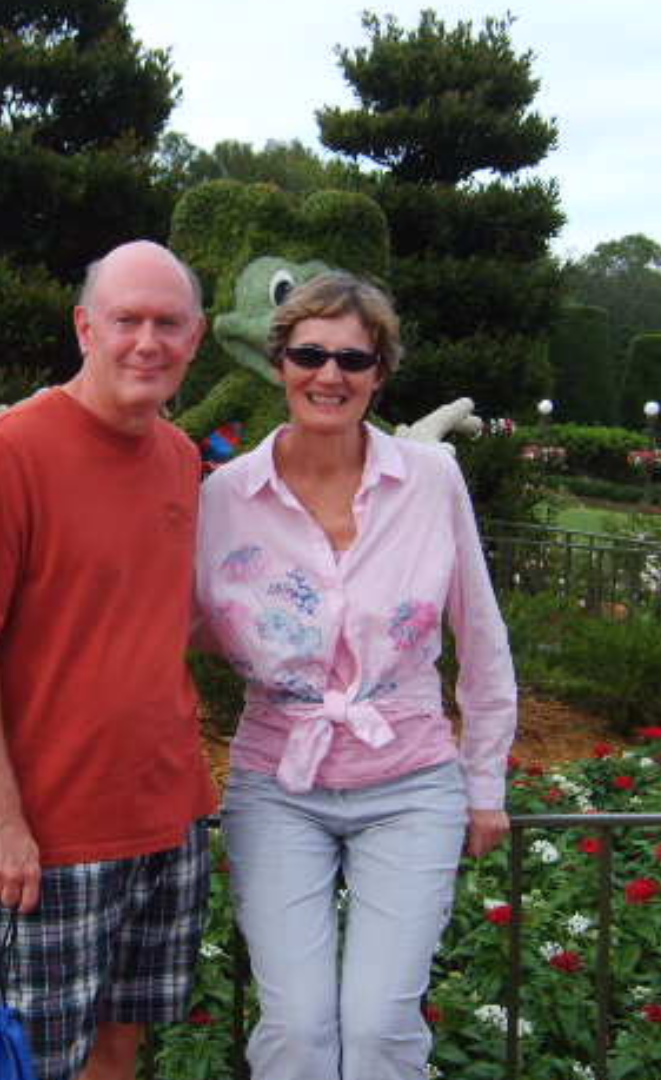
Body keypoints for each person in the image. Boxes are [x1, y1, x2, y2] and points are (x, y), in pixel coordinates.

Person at [195, 270, 517, 1080]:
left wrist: (485, 784)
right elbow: (154, 632)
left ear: (380, 374)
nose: (329, 375)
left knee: (377, 1029)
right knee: (299, 1030)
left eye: (353, 359)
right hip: (278, 782)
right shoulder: (225, 497)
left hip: (409, 783)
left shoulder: (431, 481)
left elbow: (480, 637)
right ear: (281, 364)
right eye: (310, 353)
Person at [0, 240, 218, 1080]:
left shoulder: (179, 459)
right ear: (85, 327)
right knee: (33, 1062)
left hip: (166, 812)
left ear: (195, 338)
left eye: (168, 323)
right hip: (46, 830)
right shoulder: (7, 453)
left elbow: (145, 615)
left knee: (120, 1048)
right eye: (127, 320)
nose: (147, 342)